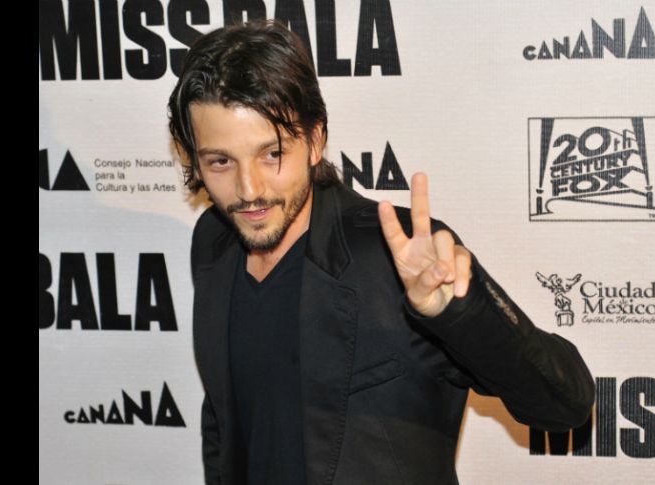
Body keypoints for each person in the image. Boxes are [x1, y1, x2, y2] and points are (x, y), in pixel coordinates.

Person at [168, 19, 595, 485]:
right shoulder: (214, 241)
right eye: (221, 161)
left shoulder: (398, 255)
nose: (249, 190)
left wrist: (458, 313)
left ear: (314, 140)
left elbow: (565, 405)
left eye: (272, 154)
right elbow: (225, 423)